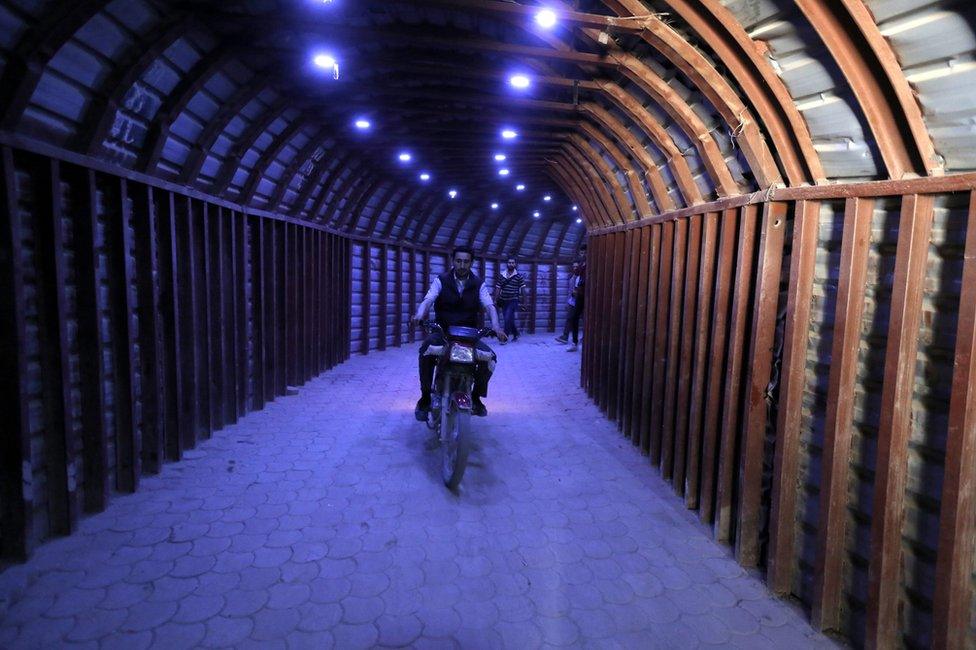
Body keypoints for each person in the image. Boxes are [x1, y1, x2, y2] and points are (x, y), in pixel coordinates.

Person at [411, 246, 508, 420]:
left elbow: (489, 306)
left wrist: (496, 326)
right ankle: (425, 397)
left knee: (490, 358)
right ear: (453, 261)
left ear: (472, 262)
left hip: (469, 335)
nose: (462, 265)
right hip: (443, 332)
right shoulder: (441, 280)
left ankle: (476, 397)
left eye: (466, 261)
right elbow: (428, 299)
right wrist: (419, 315)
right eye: (458, 260)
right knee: (425, 350)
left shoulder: (479, 284)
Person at [494, 255, 527, 342]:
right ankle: (516, 333)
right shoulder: (502, 275)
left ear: (515, 264)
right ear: (507, 264)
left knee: (508, 317)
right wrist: (495, 299)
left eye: (513, 263)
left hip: (513, 300)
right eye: (509, 262)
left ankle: (505, 337)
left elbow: (523, 290)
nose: (511, 264)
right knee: (509, 319)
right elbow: (498, 288)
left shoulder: (519, 276)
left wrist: (525, 303)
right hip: (503, 300)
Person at [556, 261, 585, 350]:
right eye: (574, 267)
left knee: (583, 320)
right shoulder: (573, 277)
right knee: (570, 319)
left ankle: (582, 338)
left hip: (580, 301)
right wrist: (568, 301)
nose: (575, 268)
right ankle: (566, 337)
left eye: (577, 267)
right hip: (573, 301)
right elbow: (570, 291)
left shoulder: (581, 278)